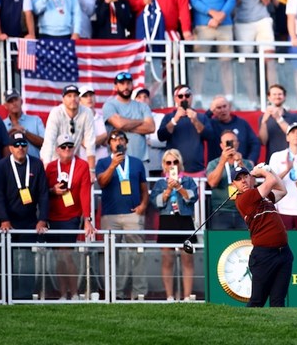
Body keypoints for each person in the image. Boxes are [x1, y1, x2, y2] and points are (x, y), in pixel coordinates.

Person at [0, 132, 49, 300]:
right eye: (16, 145)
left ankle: (25, 296)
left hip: (30, 220)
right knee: (7, 258)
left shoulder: (37, 164)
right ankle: (7, 295)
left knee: (27, 258)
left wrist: (42, 219)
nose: (20, 148)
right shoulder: (2, 166)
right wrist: (4, 219)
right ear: (10, 148)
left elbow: (43, 194)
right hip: (8, 221)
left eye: (23, 144)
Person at [96, 129, 149, 301]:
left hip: (133, 214)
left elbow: (144, 188)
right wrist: (113, 165)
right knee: (111, 255)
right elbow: (102, 182)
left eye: (121, 138)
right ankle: (113, 292)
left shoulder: (136, 163)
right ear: (108, 144)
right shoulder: (103, 162)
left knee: (138, 253)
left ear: (126, 142)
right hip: (110, 215)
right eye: (113, 139)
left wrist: (143, 206)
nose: (118, 141)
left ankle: (139, 292)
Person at [232, 163, 293, 307]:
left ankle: (278, 329)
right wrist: (263, 172)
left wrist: (270, 170)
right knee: (257, 301)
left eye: (245, 176)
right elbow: (271, 181)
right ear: (234, 184)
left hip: (283, 252)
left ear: (250, 178)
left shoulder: (263, 197)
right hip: (264, 255)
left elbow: (282, 190)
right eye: (238, 179)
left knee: (278, 300)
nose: (243, 181)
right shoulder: (244, 198)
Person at [45, 133, 95, 301]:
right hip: (53, 216)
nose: (67, 149)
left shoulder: (81, 166)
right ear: (57, 150)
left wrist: (87, 219)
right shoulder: (51, 167)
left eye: (70, 146)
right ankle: (62, 293)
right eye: (63, 147)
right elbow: (44, 192)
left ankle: (73, 293)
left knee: (66, 253)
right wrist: (53, 191)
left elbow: (85, 193)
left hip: (71, 217)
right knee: (58, 256)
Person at [150, 148, 198, 301]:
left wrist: (179, 188)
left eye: (175, 162)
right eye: (168, 162)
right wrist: (168, 190)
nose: (172, 165)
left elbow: (193, 197)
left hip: (184, 220)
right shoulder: (159, 183)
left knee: (187, 259)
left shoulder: (188, 181)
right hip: (167, 221)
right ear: (164, 165)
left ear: (180, 163)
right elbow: (156, 202)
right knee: (167, 259)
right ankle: (169, 295)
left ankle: (187, 297)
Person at [101, 72, 155, 164]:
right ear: (115, 86)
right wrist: (141, 121)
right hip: (117, 160)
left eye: (128, 83)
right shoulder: (109, 105)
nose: (126, 86)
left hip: (141, 160)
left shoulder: (142, 106)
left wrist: (124, 125)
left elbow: (151, 127)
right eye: (122, 84)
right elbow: (120, 124)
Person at [206, 130, 254, 230]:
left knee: (245, 243)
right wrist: (223, 161)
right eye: (227, 142)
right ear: (221, 145)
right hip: (220, 211)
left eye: (232, 141)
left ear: (238, 144)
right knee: (221, 243)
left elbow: (252, 184)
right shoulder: (214, 163)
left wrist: (240, 163)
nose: (230, 145)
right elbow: (212, 183)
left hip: (243, 211)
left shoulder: (246, 163)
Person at [258, 84, 297, 156]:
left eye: (280, 94)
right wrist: (264, 122)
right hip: (271, 159)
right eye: (274, 94)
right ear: (269, 97)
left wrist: (278, 118)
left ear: (284, 97)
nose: (277, 96)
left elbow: (293, 135)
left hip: (291, 157)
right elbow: (263, 142)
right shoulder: (263, 118)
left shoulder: (293, 116)